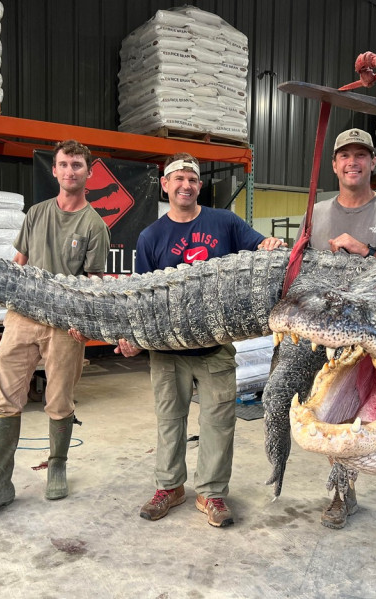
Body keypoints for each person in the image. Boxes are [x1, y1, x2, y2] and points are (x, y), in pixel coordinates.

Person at [115, 152, 285, 528]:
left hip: (214, 347)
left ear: (199, 185)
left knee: (219, 421)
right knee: (169, 420)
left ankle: (211, 493)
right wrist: (133, 338)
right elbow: (139, 298)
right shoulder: (151, 236)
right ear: (165, 185)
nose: (185, 185)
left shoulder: (224, 222)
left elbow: (260, 249)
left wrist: (270, 245)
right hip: (166, 351)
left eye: (192, 179)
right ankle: (169, 487)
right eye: (177, 178)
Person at [0, 139, 110, 521]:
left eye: (78, 165)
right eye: (64, 164)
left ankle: (57, 464)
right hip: (22, 317)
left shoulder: (94, 225)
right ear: (55, 170)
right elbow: (17, 266)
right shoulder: (37, 213)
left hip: (64, 325)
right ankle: (0, 483)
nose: (70, 171)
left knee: (59, 400)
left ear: (88, 173)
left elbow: (93, 283)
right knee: (4, 399)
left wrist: (85, 325)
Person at [301, 127, 376, 560]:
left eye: (361, 155)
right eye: (344, 156)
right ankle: (342, 493)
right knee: (339, 413)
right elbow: (305, 270)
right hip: (339, 334)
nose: (352, 162)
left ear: (373, 162)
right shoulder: (316, 213)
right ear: (334, 164)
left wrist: (366, 251)